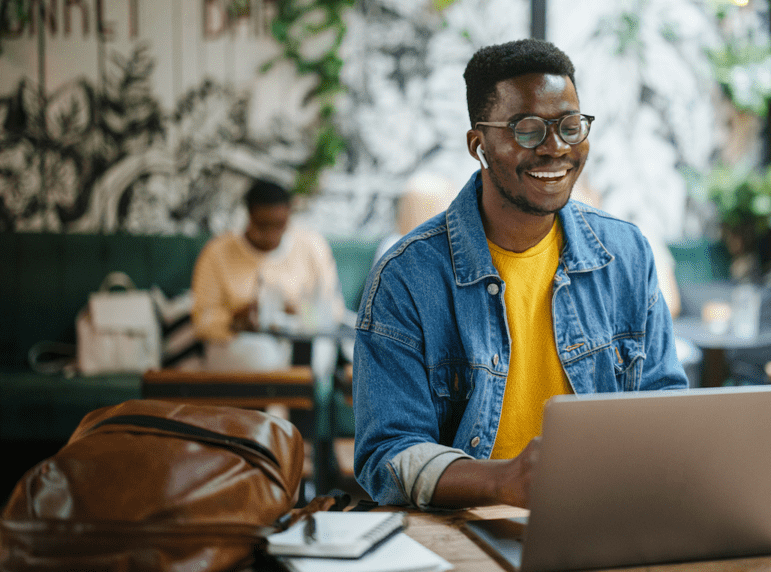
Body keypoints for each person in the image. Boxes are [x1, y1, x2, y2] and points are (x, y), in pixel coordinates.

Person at [352, 39, 687, 511]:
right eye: (527, 130)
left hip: (606, 515)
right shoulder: (407, 277)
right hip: (467, 529)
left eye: (570, 127)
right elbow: (387, 454)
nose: (555, 148)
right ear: (479, 145)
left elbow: (665, 407)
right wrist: (501, 481)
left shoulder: (626, 254)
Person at [190, 179, 346, 370]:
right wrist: (233, 320)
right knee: (261, 355)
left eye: (280, 225)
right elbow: (202, 320)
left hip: (299, 340)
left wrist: (297, 312)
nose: (272, 234)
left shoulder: (313, 246)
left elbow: (333, 310)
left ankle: (288, 395)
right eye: (262, 226)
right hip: (240, 344)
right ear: (249, 216)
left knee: (314, 352)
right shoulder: (218, 251)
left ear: (290, 215)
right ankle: (281, 396)